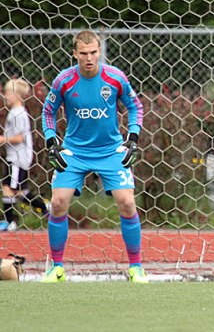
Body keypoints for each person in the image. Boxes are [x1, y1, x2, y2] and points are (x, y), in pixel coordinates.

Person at [40, 30, 147, 283]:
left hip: (111, 151)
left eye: (93, 53)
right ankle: (57, 268)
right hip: (74, 151)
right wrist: (51, 141)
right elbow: (48, 111)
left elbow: (135, 107)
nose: (89, 58)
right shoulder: (64, 80)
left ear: (99, 52)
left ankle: (136, 267)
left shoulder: (115, 77)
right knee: (58, 203)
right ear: (74, 54)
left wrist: (133, 138)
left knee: (127, 203)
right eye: (83, 53)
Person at [1, 79, 48, 232]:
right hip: (14, 158)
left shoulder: (18, 113)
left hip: (18, 158)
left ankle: (10, 222)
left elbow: (20, 138)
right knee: (21, 192)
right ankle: (45, 207)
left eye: (8, 93)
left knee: (8, 189)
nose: (5, 96)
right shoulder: (14, 112)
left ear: (16, 95)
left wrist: (3, 139)